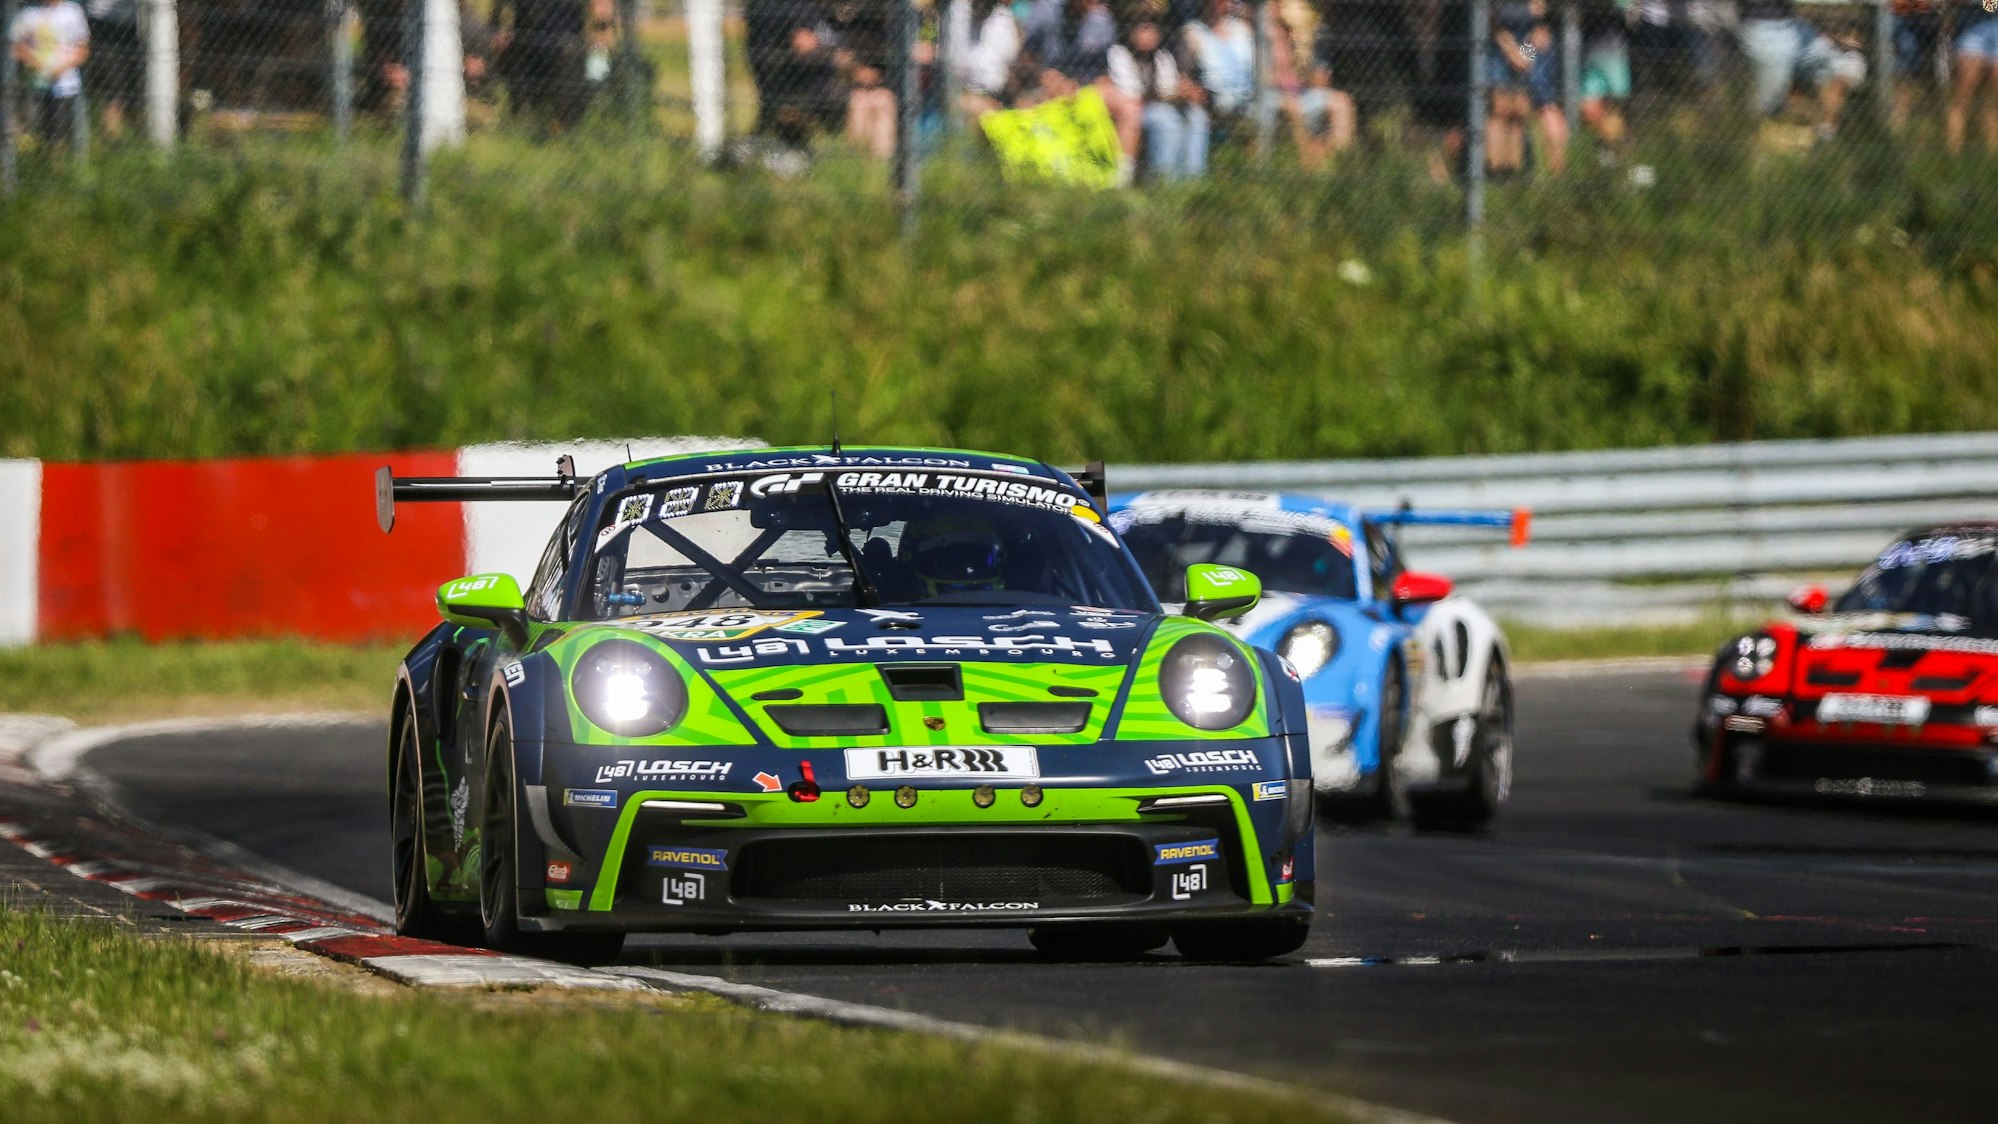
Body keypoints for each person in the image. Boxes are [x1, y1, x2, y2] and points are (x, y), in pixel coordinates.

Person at [1737, 0, 1865, 139]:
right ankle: (1749, 141)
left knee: (1842, 67)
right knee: (1770, 105)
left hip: (1792, 25)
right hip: (1763, 29)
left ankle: (1826, 136)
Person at [1109, 13, 1208, 179]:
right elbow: (1132, 93)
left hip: (1162, 105)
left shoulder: (1162, 56)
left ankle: (1193, 177)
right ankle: (1163, 178)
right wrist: (1172, 92)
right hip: (1138, 110)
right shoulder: (1119, 53)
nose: (1148, 34)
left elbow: (1169, 86)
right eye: (1143, 29)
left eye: (1152, 29)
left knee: (1198, 117)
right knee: (1165, 121)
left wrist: (1185, 92)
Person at [1489, 0, 1568, 174]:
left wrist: (1523, 56)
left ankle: (1514, 173)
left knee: (1521, 109)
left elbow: (1539, 23)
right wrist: (1510, 51)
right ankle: (1496, 171)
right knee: (1500, 109)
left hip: (1528, 44)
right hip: (1500, 45)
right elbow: (1491, 18)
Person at [10, 0, 90, 151]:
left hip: (64, 85)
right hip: (33, 84)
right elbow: (15, 46)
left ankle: (55, 167)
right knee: (30, 130)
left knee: (56, 134)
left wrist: (60, 68)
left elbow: (83, 48)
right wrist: (38, 65)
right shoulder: (27, 12)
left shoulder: (73, 11)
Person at [1179, 0, 1252, 138]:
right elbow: (1185, 74)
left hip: (1248, 92)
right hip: (1214, 95)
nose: (1219, 5)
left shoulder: (1242, 29)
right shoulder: (1194, 31)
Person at [947, 0, 1022, 115]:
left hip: (998, 96)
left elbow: (1011, 64)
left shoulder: (1003, 18)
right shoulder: (956, 14)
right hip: (963, 94)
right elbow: (951, 66)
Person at [1946, 0, 1998, 152]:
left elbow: (1991, 5)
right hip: (1971, 31)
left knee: (1993, 99)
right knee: (1963, 95)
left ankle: (1992, 157)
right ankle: (1954, 154)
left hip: (1995, 28)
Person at [82, 0, 136, 137]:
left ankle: (122, 134)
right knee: (115, 83)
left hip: (128, 25)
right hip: (102, 24)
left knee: (129, 83)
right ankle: (111, 136)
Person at [1291, 57, 1355, 167]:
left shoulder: (1303, 49)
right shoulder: (1265, 48)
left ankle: (1339, 155)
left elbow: (1319, 73)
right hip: (1289, 95)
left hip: (1307, 92)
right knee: (1294, 108)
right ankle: (1307, 160)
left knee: (1343, 102)